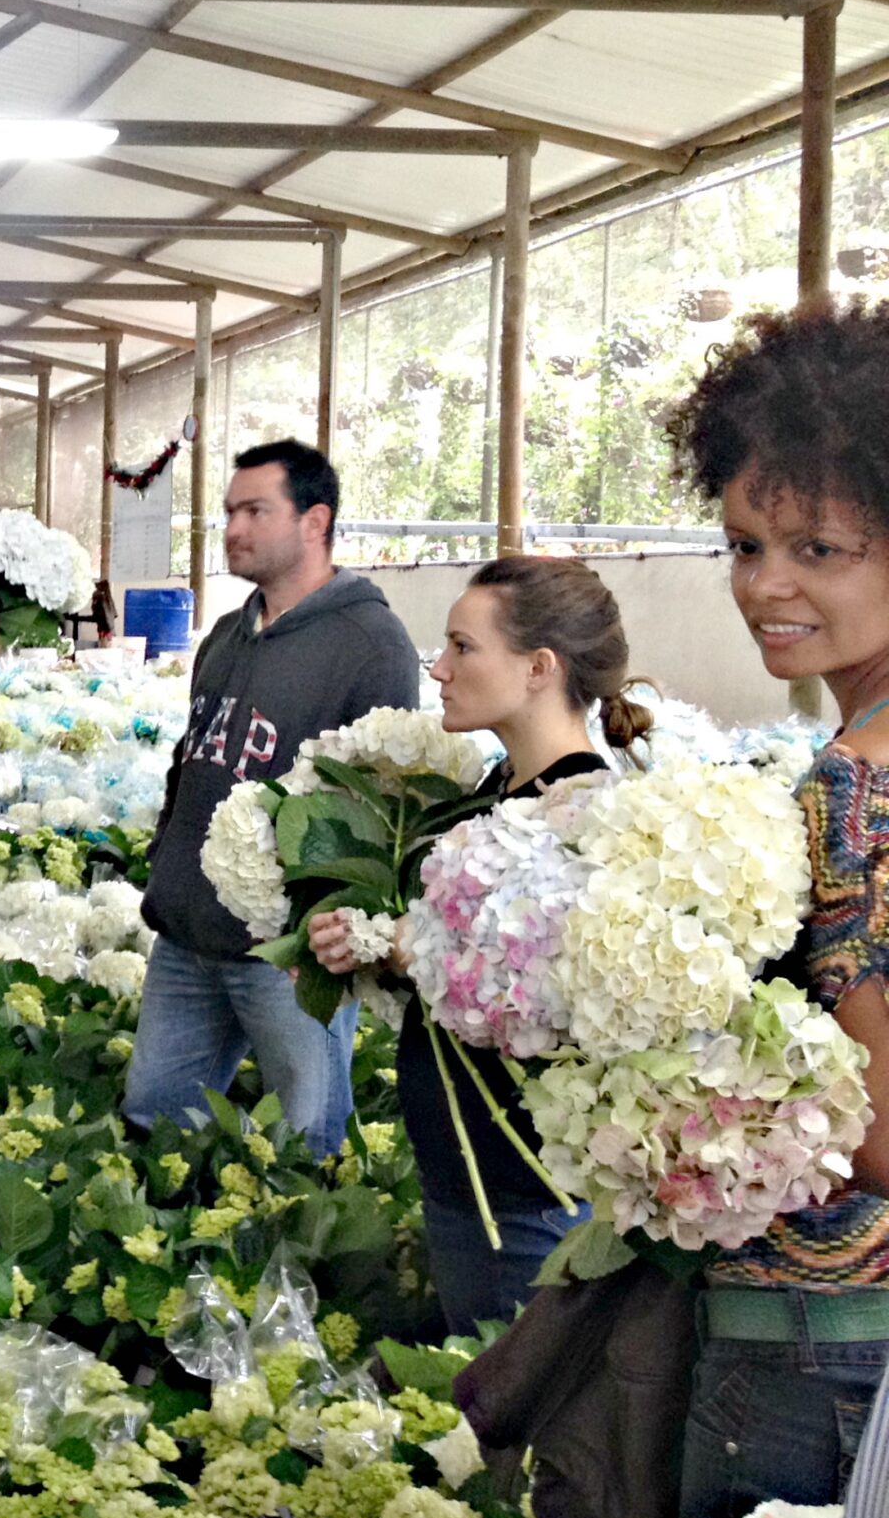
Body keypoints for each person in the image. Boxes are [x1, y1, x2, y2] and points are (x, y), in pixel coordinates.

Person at [659, 297, 889, 1518]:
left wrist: (681, 1092)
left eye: (816, 550)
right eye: (746, 546)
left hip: (816, 1346)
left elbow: (880, 1134)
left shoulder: (855, 787)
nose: (766, 588)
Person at [312, 557, 650, 1332]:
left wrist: (413, 950)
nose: (437, 668)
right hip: (466, 1179)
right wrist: (370, 947)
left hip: (529, 1197)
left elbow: (552, 1014)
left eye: (464, 647)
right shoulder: (492, 795)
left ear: (538, 668)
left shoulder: (586, 824)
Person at [125, 438, 419, 1157]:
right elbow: (189, 763)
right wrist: (165, 865)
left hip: (287, 956)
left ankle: (303, 1265)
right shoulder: (225, 634)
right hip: (189, 938)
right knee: (153, 1119)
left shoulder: (372, 645)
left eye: (255, 510)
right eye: (230, 511)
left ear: (314, 521)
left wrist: (324, 927)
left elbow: (384, 810)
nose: (233, 528)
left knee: (308, 1133)